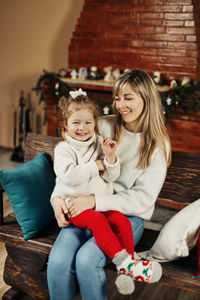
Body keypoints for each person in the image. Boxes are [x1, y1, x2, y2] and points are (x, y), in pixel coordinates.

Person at [47, 70, 171, 300]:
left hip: (127, 217)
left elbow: (142, 199)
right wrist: (56, 200)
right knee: (58, 262)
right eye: (117, 97)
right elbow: (71, 168)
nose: (121, 104)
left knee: (86, 261)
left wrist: (95, 201)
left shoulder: (157, 145)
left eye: (128, 97)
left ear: (146, 98)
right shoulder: (101, 126)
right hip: (85, 208)